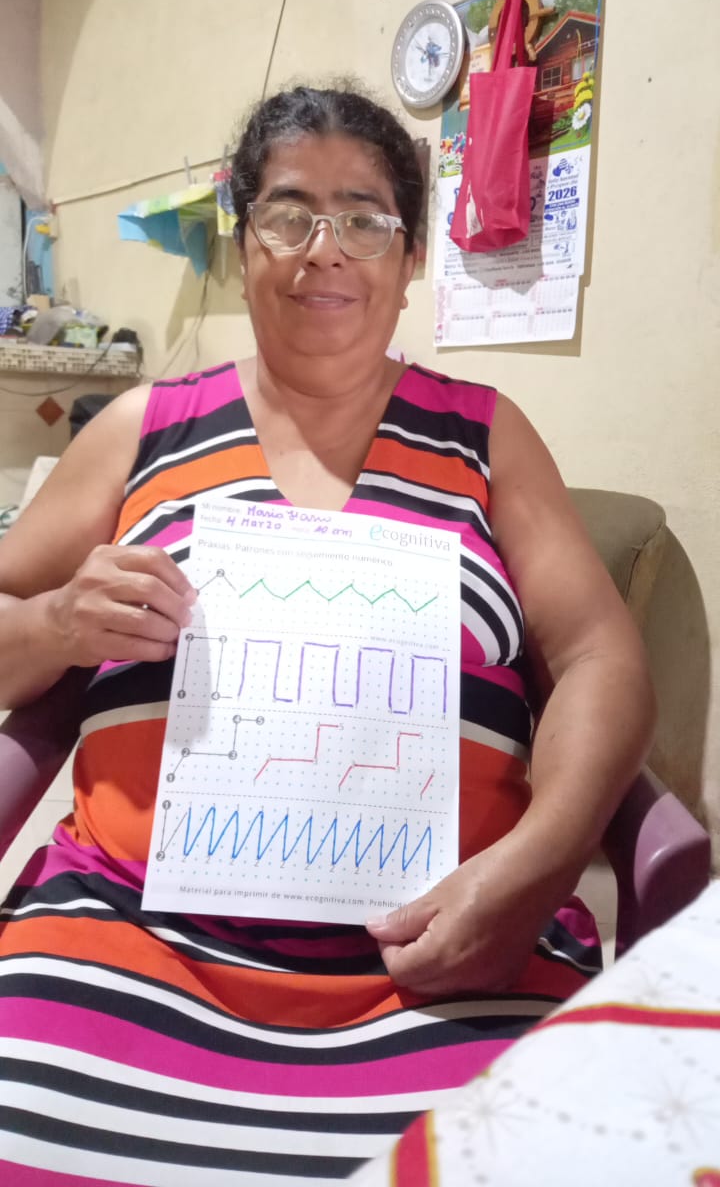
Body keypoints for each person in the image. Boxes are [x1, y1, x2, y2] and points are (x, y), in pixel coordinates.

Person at [0, 85, 655, 1185]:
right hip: (129, 936)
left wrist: (538, 867)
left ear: (410, 260)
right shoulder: (142, 428)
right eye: (289, 212)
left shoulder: (486, 435)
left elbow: (601, 655)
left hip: (442, 950)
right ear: (240, 240)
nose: (325, 248)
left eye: (365, 218)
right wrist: (59, 623)